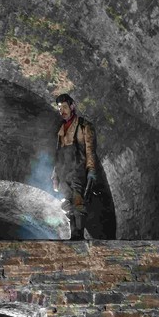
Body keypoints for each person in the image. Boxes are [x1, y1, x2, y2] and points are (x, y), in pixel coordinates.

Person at [51, 93, 98, 240]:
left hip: (78, 170)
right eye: (59, 108)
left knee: (78, 201)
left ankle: (79, 233)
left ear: (72, 106)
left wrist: (91, 171)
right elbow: (58, 153)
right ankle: (73, 233)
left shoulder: (84, 126)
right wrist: (55, 174)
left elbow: (90, 150)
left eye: (64, 107)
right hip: (64, 171)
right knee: (66, 202)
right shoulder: (61, 130)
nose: (62, 111)